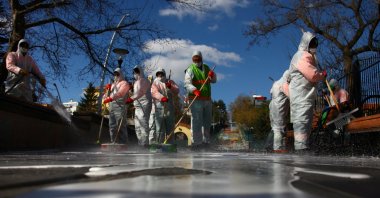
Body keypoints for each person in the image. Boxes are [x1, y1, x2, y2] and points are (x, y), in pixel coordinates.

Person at [288, 31, 327, 152]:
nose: (314, 47)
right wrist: (322, 74)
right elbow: (312, 75)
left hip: (303, 96)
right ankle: (301, 150)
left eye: (315, 45)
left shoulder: (303, 56)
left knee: (305, 122)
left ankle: (303, 147)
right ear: (307, 44)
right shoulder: (302, 56)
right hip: (301, 97)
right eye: (312, 44)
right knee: (302, 122)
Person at [184, 50, 217, 148]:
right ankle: (196, 143)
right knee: (196, 121)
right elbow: (187, 83)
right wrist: (194, 90)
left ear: (201, 58)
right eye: (194, 59)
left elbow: (214, 80)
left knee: (207, 121)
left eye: (197, 58)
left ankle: (206, 142)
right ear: (192, 59)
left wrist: (212, 75)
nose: (196, 60)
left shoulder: (206, 68)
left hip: (207, 99)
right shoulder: (190, 69)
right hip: (196, 99)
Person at [125, 65, 152, 147]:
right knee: (137, 125)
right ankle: (140, 143)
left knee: (143, 123)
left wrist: (131, 98)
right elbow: (136, 93)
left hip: (144, 104)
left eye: (137, 71)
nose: (136, 73)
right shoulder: (136, 82)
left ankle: (145, 143)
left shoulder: (145, 81)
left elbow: (141, 92)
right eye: (134, 72)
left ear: (141, 71)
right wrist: (131, 92)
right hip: (137, 105)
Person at [151, 67, 180, 143]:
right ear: (156, 74)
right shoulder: (155, 82)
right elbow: (154, 92)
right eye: (158, 74)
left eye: (161, 73)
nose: (160, 75)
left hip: (169, 107)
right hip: (159, 106)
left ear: (164, 74)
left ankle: (170, 143)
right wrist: (162, 97)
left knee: (170, 127)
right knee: (159, 127)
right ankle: (159, 143)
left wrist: (171, 86)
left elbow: (177, 90)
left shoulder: (170, 81)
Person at [103, 68, 130, 143]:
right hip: (112, 105)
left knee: (121, 125)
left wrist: (110, 98)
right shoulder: (113, 85)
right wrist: (107, 90)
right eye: (114, 74)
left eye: (117, 74)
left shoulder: (125, 83)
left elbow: (121, 93)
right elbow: (106, 96)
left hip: (120, 106)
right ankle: (113, 141)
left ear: (120, 74)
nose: (116, 76)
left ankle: (123, 142)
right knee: (112, 125)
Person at [269, 70, 290, 153]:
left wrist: (275, 84)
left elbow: (270, 92)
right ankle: (277, 149)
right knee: (278, 128)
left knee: (274, 127)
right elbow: (291, 96)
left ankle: (270, 146)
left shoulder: (276, 83)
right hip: (279, 107)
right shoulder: (285, 84)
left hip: (272, 106)